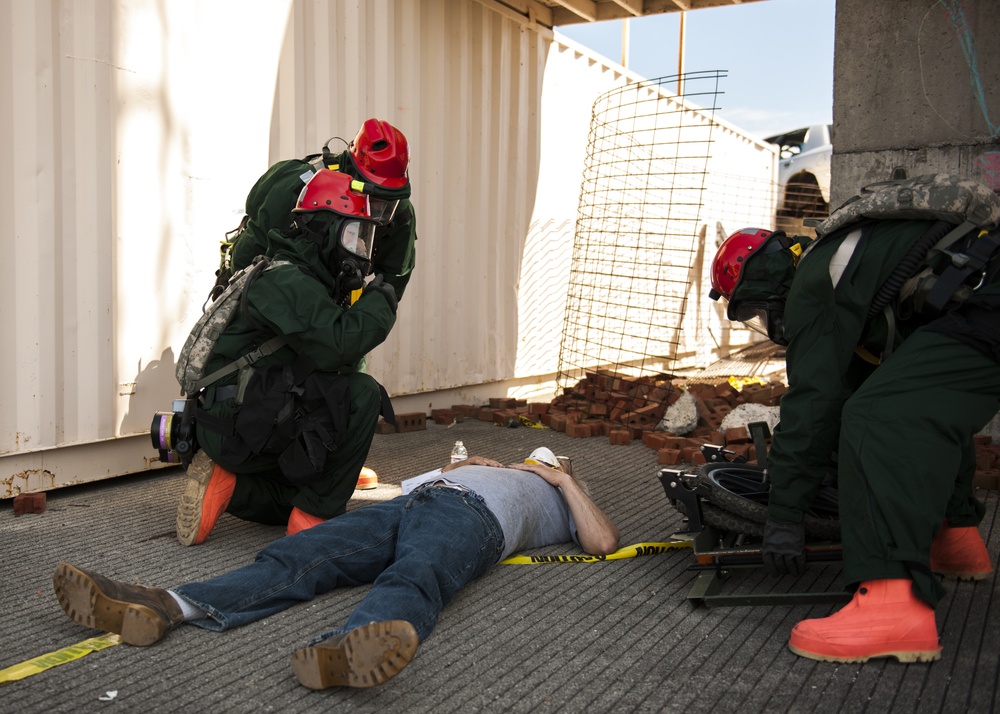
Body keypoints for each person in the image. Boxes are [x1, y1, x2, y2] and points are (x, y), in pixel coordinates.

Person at [53, 448, 620, 690]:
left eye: (549, 459)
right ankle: (166, 604)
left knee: (417, 573)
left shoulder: (562, 495)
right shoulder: (480, 467)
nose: (536, 460)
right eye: (536, 460)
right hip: (416, 502)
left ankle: (343, 652)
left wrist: (563, 479)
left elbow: (602, 541)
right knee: (301, 555)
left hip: (474, 521)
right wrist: (460, 466)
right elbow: (410, 488)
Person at [708, 212, 1000, 664]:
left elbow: (812, 405)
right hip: (983, 291)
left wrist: (784, 515)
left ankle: (890, 604)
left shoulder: (812, 285)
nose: (766, 322)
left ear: (767, 286)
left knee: (875, 417)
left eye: (756, 311)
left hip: (989, 295)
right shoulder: (853, 279)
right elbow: (865, 399)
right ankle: (957, 540)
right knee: (917, 402)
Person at [176, 169, 399, 546]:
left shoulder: (302, 275)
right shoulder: (288, 281)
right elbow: (341, 346)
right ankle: (314, 519)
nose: (360, 250)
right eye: (353, 235)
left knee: (302, 488)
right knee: (362, 394)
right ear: (324, 230)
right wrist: (381, 300)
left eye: (365, 239)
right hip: (236, 428)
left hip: (236, 424)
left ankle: (230, 486)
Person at [221, 117, 417, 302]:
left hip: (326, 306)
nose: (377, 210)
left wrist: (357, 326)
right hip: (271, 294)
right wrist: (231, 298)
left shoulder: (400, 211)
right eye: (373, 199)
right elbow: (253, 243)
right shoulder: (296, 184)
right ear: (352, 173)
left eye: (385, 203)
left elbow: (392, 283)